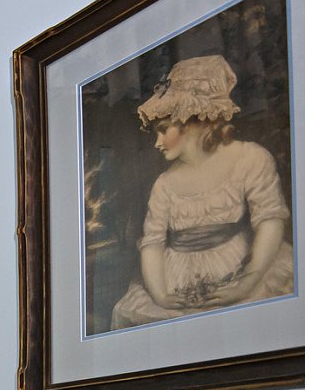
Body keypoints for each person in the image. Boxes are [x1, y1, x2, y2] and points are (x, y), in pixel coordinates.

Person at [110, 54, 294, 329]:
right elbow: (152, 244)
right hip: (175, 278)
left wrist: (246, 284)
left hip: (241, 266)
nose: (157, 143)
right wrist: (160, 295)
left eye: (163, 130)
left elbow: (269, 219)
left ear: (193, 119)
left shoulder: (250, 157)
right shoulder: (164, 183)